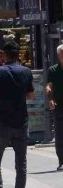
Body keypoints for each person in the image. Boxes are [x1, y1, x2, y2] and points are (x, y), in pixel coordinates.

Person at [0, 41, 34, 188]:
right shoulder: (26, 71)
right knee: (21, 165)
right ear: (18, 54)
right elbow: (30, 95)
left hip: (2, 123)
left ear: (5, 55)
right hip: (21, 122)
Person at [45, 44, 63, 172]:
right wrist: (50, 98)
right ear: (58, 55)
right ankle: (61, 161)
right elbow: (48, 86)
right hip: (59, 106)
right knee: (60, 134)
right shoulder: (53, 70)